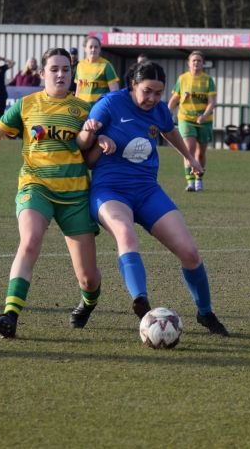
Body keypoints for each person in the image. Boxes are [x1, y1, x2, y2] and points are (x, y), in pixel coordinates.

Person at [0, 47, 107, 339]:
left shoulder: (84, 109)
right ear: (42, 73)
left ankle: (88, 302)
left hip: (74, 195)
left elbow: (92, 154)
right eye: (54, 69)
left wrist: (102, 144)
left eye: (65, 69)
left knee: (87, 278)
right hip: (35, 186)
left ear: (72, 73)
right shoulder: (26, 105)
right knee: (30, 240)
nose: (61, 74)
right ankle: (10, 314)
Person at [77, 60, 229, 336]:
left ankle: (206, 314)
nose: (153, 99)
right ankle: (141, 302)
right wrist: (94, 137)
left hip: (147, 190)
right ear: (133, 84)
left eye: (158, 93)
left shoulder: (159, 110)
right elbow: (82, 146)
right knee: (126, 234)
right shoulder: (110, 104)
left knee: (190, 252)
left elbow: (170, 131)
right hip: (110, 189)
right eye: (147, 91)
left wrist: (188, 157)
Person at [168, 50, 217, 192]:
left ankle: (199, 180)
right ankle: (189, 182)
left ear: (203, 63)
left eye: (199, 61)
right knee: (189, 149)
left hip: (204, 121)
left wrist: (204, 115)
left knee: (200, 153)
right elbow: (175, 99)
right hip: (186, 119)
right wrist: (167, 113)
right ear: (189, 63)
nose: (196, 63)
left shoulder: (208, 80)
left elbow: (211, 102)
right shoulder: (183, 79)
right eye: (193, 60)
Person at [74, 35, 120, 103]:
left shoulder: (106, 65)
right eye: (90, 47)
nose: (93, 49)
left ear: (100, 49)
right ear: (85, 49)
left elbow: (114, 92)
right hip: (82, 109)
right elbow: (78, 88)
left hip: (98, 109)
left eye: (96, 47)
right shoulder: (80, 65)